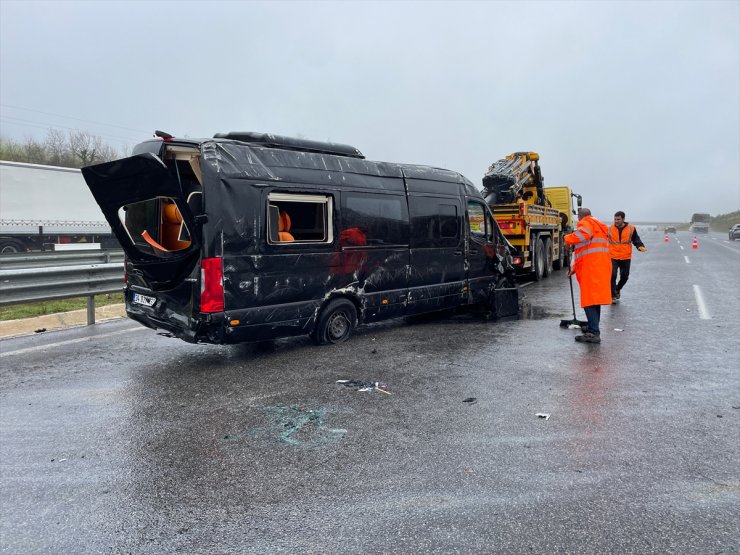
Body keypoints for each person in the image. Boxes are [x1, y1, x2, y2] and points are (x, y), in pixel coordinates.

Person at [564, 208, 612, 343]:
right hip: (598, 267)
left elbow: (582, 235)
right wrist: (574, 267)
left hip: (591, 269)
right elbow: (586, 250)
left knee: (589, 301)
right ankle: (593, 328)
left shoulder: (586, 223)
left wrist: (567, 239)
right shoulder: (598, 225)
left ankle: (593, 332)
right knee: (594, 300)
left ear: (580, 216)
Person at [608, 211, 646, 303]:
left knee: (625, 276)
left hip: (625, 256)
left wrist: (639, 246)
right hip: (613, 255)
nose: (616, 221)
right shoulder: (610, 228)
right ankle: (613, 295)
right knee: (612, 275)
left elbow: (636, 239)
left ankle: (618, 289)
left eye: (618, 219)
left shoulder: (631, 228)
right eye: (615, 219)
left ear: (623, 219)